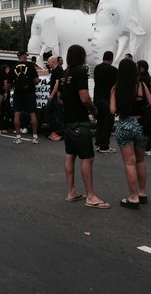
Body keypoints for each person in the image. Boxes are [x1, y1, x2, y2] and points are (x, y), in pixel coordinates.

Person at [59, 44, 110, 209]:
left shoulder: (65, 73)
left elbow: (60, 97)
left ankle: (71, 191)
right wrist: (93, 109)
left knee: (70, 155)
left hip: (67, 120)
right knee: (88, 157)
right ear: (81, 57)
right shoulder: (80, 72)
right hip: (79, 121)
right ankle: (91, 196)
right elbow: (85, 97)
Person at [110, 58, 151, 209]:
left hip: (125, 125)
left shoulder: (116, 88)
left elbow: (112, 110)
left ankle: (133, 197)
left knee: (129, 162)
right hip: (141, 126)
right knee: (140, 160)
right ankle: (142, 193)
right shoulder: (141, 85)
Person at [8, 50, 41, 144]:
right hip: (29, 92)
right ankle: (35, 137)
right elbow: (36, 79)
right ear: (24, 57)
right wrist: (37, 81)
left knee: (17, 114)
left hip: (18, 93)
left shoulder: (13, 67)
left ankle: (18, 137)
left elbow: (9, 83)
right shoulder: (30, 66)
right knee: (32, 114)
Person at [93, 50, 118, 153]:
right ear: (111, 59)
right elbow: (116, 87)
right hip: (108, 99)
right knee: (108, 123)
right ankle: (104, 146)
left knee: (100, 122)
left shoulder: (97, 68)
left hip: (97, 98)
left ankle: (98, 143)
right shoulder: (114, 70)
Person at [137, 60, 151, 156]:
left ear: (142, 68)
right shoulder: (149, 78)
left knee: (140, 127)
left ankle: (142, 147)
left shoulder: (141, 80)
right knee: (148, 127)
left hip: (142, 106)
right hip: (148, 106)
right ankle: (148, 148)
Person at [45, 56, 64, 141]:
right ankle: (55, 131)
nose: (48, 63)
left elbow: (57, 84)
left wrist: (52, 95)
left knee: (58, 115)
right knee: (49, 113)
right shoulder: (54, 71)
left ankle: (59, 133)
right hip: (54, 96)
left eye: (49, 62)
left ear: (53, 61)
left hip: (56, 97)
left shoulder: (59, 71)